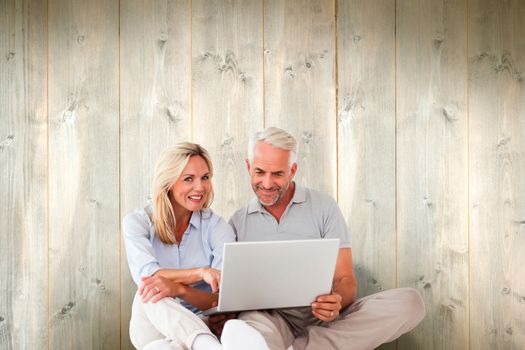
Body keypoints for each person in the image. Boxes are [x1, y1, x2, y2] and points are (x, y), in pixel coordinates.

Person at [209, 127, 426, 350]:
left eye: (278, 174)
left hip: (324, 318)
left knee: (410, 302)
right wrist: (226, 314)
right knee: (249, 323)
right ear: (248, 167)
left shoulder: (324, 207)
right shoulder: (238, 222)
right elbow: (234, 289)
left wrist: (337, 301)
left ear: (292, 171)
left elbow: (345, 279)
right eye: (259, 172)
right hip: (271, 320)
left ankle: (301, 346)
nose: (266, 183)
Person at [123, 143, 267, 350]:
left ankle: (203, 343)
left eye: (205, 177)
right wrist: (200, 273)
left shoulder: (217, 227)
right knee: (149, 288)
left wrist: (179, 290)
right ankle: (208, 345)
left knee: (162, 348)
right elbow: (146, 274)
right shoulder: (138, 222)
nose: (200, 187)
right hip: (151, 323)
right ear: (168, 182)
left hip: (200, 322)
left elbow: (218, 300)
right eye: (188, 179)